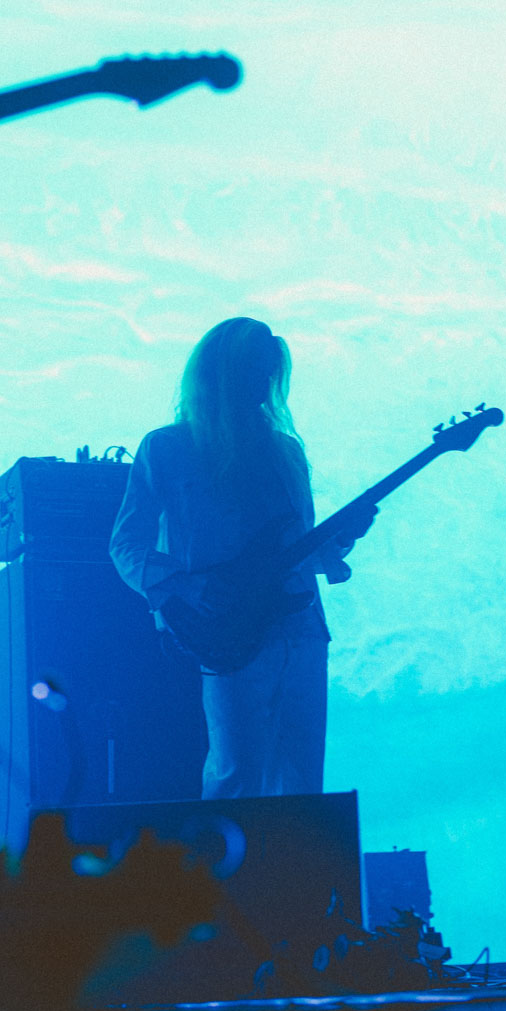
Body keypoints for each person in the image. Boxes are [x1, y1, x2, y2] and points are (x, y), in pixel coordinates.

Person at [110, 316, 375, 798]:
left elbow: (302, 550)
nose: (262, 382)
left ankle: (296, 850)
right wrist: (188, 585)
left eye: (268, 371)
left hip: (301, 627)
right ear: (220, 373)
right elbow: (126, 544)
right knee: (236, 773)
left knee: (301, 779)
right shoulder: (168, 448)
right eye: (253, 368)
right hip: (228, 628)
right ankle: (228, 850)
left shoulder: (286, 452)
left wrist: (344, 538)